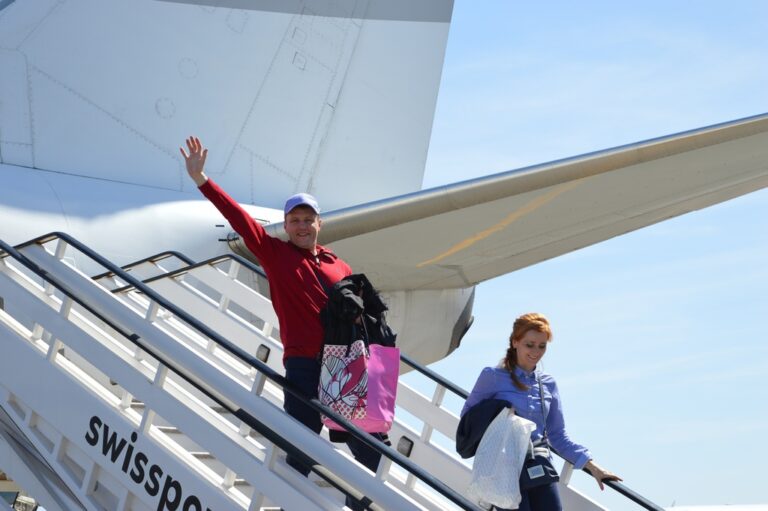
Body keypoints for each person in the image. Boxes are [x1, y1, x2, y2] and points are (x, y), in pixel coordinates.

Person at [180, 136, 387, 508]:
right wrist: (202, 180)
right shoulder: (275, 254)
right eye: (295, 220)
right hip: (304, 363)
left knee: (366, 443)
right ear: (286, 226)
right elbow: (240, 220)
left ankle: (369, 504)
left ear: (319, 223)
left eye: (308, 220)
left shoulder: (339, 265)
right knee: (301, 443)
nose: (302, 226)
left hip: (343, 364)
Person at [461, 313, 621, 511]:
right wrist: (500, 414)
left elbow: (557, 435)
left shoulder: (548, 383)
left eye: (542, 346)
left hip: (538, 463)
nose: (536, 351)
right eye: (530, 344)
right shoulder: (492, 376)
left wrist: (594, 467)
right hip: (504, 470)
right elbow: (468, 420)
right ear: (515, 342)